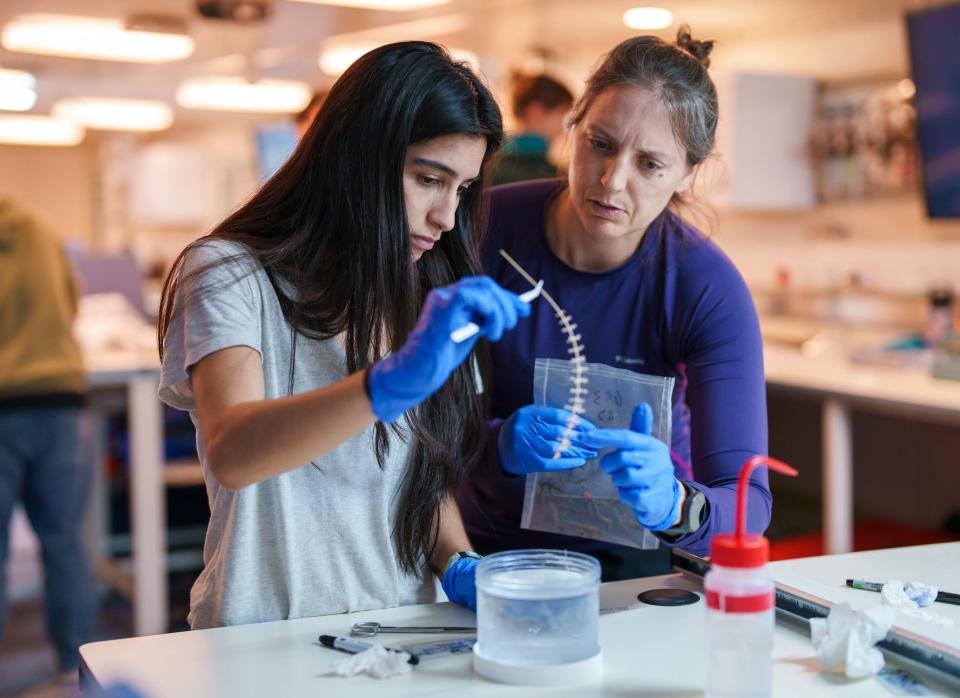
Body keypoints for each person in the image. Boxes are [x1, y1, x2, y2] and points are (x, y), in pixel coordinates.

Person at [157, 41, 529, 629]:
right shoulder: (229, 274)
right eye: (429, 178)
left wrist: (459, 561)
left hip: (403, 632)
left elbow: (416, 479)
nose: (446, 216)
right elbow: (233, 451)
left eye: (461, 189)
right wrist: (387, 384)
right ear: (357, 158)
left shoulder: (414, 289)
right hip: (266, 635)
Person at [457, 27, 771, 580]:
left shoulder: (704, 287)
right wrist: (495, 446)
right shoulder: (483, 229)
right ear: (571, 126)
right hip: (479, 552)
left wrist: (676, 503)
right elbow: (402, 427)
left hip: (638, 569)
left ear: (687, 174)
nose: (611, 180)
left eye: (650, 164)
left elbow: (748, 508)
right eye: (600, 143)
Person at [0, 198, 95, 677]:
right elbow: (72, 300)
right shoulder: (41, 229)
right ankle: (73, 663)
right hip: (61, 401)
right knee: (64, 541)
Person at [491, 72, 574, 185]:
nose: (566, 127)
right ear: (536, 112)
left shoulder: (488, 160)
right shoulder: (551, 176)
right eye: (563, 115)